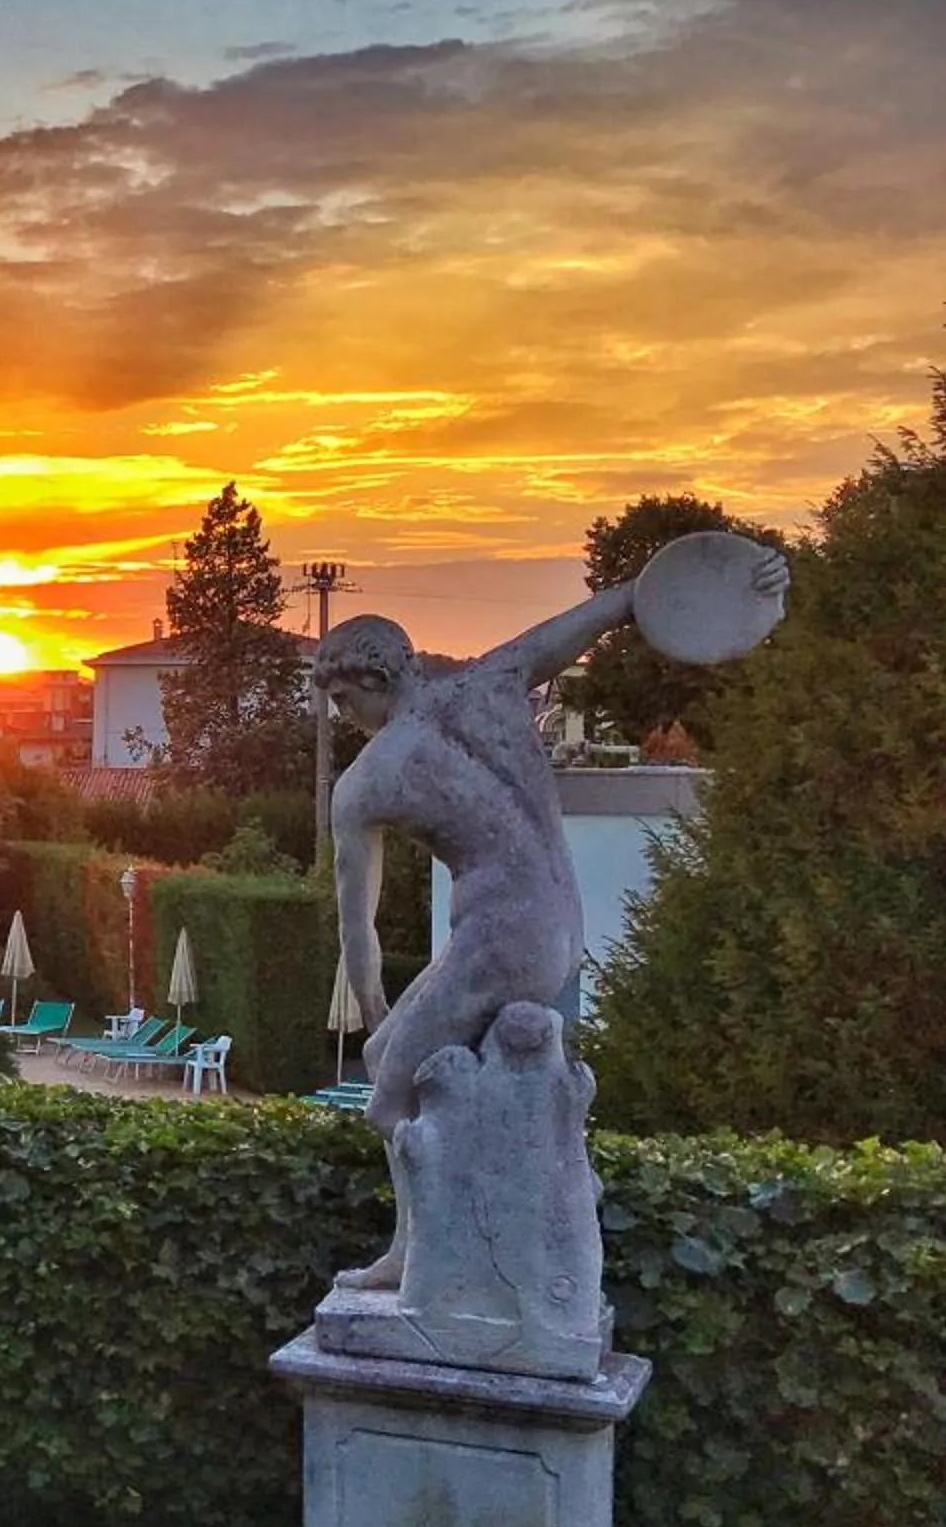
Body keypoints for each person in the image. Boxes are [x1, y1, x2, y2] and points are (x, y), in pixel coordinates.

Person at [318, 548, 784, 1289]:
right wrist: (724, 583)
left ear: (371, 682)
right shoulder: (492, 679)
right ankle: (483, 1238)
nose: (346, 720)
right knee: (419, 1071)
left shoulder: (366, 782)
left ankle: (424, 1258)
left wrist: (376, 1010)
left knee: (388, 1094)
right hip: (556, 928)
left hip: (502, 934)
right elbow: (620, 603)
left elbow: (357, 925)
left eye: (344, 703)